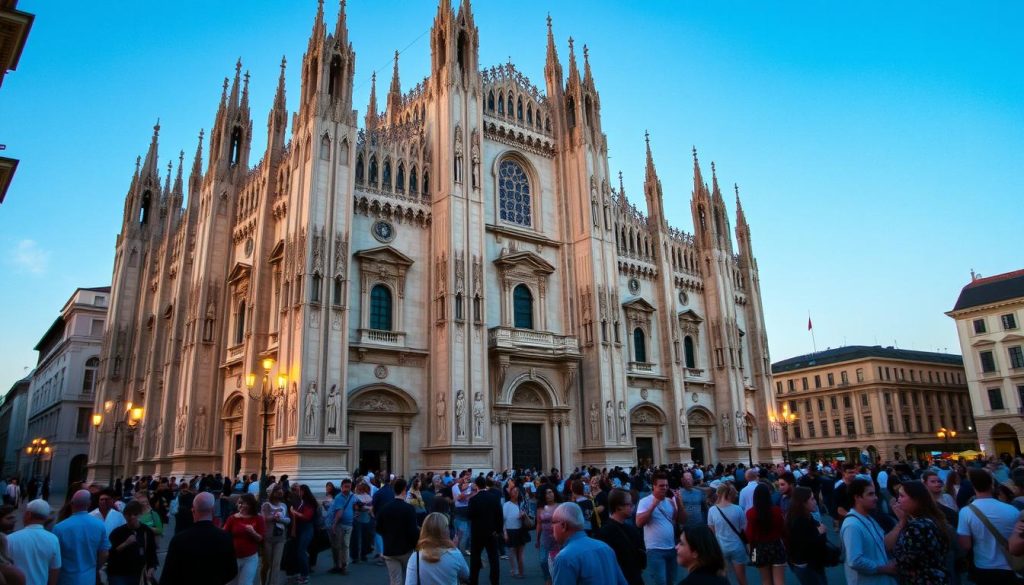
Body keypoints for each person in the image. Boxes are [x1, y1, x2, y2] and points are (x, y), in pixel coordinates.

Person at [957, 468, 1021, 584]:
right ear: (992, 484)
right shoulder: (1012, 509)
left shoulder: (965, 512)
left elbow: (965, 545)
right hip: (1011, 565)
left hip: (984, 566)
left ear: (973, 486)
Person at [160, 491, 238, 585]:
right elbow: (232, 570)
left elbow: (168, 574)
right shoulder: (225, 537)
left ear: (193, 510)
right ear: (213, 510)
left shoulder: (179, 539)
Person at [551, 502, 627, 585]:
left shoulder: (564, 558)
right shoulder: (605, 547)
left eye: (553, 522)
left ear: (563, 526)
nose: (551, 527)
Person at [840, 478, 897, 585]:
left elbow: (880, 544)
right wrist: (883, 568)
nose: (875, 498)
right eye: (870, 494)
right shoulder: (852, 525)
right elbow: (855, 561)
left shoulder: (868, 518)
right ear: (857, 497)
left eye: (875, 494)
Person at [889, 480, 948, 584]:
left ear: (916, 500)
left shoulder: (916, 527)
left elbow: (906, 560)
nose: (898, 500)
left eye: (902, 496)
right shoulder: (930, 520)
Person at [636, 471, 686, 585]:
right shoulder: (645, 501)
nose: (665, 488)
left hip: (671, 548)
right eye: (661, 486)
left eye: (666, 485)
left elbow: (682, 520)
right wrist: (653, 505)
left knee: (672, 581)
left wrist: (679, 503)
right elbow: (639, 523)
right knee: (660, 582)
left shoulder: (670, 501)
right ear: (654, 486)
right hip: (654, 550)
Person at [52, 490, 108, 585]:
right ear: (89, 504)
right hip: (89, 578)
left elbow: (53, 556)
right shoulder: (100, 526)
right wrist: (96, 568)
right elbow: (104, 553)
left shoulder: (59, 528)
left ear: (72, 503)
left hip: (65, 579)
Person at [596, 488, 646, 585]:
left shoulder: (631, 529)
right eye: (629, 504)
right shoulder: (605, 534)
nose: (632, 507)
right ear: (618, 506)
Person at [404, 512, 469, 585]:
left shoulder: (415, 557)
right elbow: (466, 575)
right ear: (446, 531)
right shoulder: (455, 554)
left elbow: (410, 583)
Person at [377, 478, 420, 585]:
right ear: (404, 489)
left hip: (389, 549)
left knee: (395, 580)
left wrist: (388, 536)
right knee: (411, 578)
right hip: (406, 549)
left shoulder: (384, 508)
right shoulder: (409, 509)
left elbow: (378, 528)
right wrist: (416, 545)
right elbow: (412, 530)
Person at [7, 499, 59, 585]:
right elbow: (55, 570)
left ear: (28, 514)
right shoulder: (53, 539)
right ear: (45, 518)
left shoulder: (10, 539)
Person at [106, 501, 158, 585]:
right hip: (118, 573)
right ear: (124, 515)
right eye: (129, 514)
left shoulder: (146, 531)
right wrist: (125, 543)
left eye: (135, 514)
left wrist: (152, 567)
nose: (132, 517)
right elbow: (109, 554)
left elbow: (151, 552)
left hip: (138, 572)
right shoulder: (117, 532)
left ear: (140, 514)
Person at [745, 482, 786, 585]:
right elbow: (783, 529)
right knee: (779, 580)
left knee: (765, 580)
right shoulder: (777, 510)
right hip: (776, 546)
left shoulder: (750, 513)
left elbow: (750, 535)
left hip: (760, 548)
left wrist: (751, 552)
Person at [706, 483, 747, 585]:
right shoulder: (738, 509)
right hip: (737, 546)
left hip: (720, 547)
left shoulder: (712, 510)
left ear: (718, 494)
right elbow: (743, 528)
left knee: (723, 579)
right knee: (741, 578)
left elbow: (712, 531)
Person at [785, 486, 828, 585]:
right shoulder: (799, 521)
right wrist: (819, 532)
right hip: (807, 564)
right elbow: (803, 545)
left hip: (807, 564)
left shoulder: (802, 516)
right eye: (812, 499)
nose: (815, 502)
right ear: (803, 502)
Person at [467, 475, 502, 585]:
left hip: (477, 533)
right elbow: (499, 515)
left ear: (476, 485)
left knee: (475, 558)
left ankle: (474, 581)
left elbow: (470, 515)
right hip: (491, 533)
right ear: (485, 485)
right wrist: (498, 530)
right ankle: (495, 581)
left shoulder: (473, 499)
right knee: (494, 559)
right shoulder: (493, 498)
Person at [223, 493, 265, 585]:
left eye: (242, 503)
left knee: (245, 583)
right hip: (233, 557)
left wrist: (253, 532)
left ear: (250, 504)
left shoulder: (258, 518)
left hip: (250, 558)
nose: (240, 505)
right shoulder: (232, 518)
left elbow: (260, 539)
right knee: (231, 582)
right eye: (239, 503)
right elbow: (224, 534)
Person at [261, 484, 290, 585]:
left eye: (281, 489)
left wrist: (282, 519)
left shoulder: (284, 505)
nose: (280, 491)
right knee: (267, 564)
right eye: (277, 490)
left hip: (280, 538)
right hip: (268, 538)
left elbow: (287, 519)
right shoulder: (266, 505)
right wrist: (274, 517)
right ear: (272, 492)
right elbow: (264, 519)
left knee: (276, 564)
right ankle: (263, 582)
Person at [327, 478, 356, 575]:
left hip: (347, 524)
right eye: (345, 487)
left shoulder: (352, 496)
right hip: (341, 524)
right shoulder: (339, 497)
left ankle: (342, 566)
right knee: (341, 546)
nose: (347, 489)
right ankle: (341, 565)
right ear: (341, 487)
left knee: (343, 546)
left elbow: (355, 506)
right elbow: (339, 513)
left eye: (349, 487)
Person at [502, 482, 530, 579]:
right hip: (510, 530)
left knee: (520, 553)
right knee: (512, 551)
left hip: (521, 530)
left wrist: (524, 515)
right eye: (514, 491)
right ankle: (514, 569)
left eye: (517, 491)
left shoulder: (522, 505)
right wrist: (505, 533)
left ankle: (521, 571)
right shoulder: (506, 505)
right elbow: (503, 520)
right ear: (510, 493)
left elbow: (529, 517)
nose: (516, 493)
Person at [535, 486, 560, 585]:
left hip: (558, 539)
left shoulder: (560, 506)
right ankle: (547, 578)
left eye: (550, 492)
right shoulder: (540, 509)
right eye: (546, 493)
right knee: (543, 561)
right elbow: (539, 523)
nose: (549, 495)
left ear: (554, 493)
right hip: (545, 538)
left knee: (558, 561)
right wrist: (537, 539)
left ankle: (557, 579)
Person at [352, 481, 374, 563]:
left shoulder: (355, 497)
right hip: (366, 519)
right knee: (365, 539)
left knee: (358, 539)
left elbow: (357, 508)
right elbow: (371, 508)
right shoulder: (369, 497)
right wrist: (368, 508)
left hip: (358, 519)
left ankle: (357, 556)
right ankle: (363, 555)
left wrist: (364, 508)